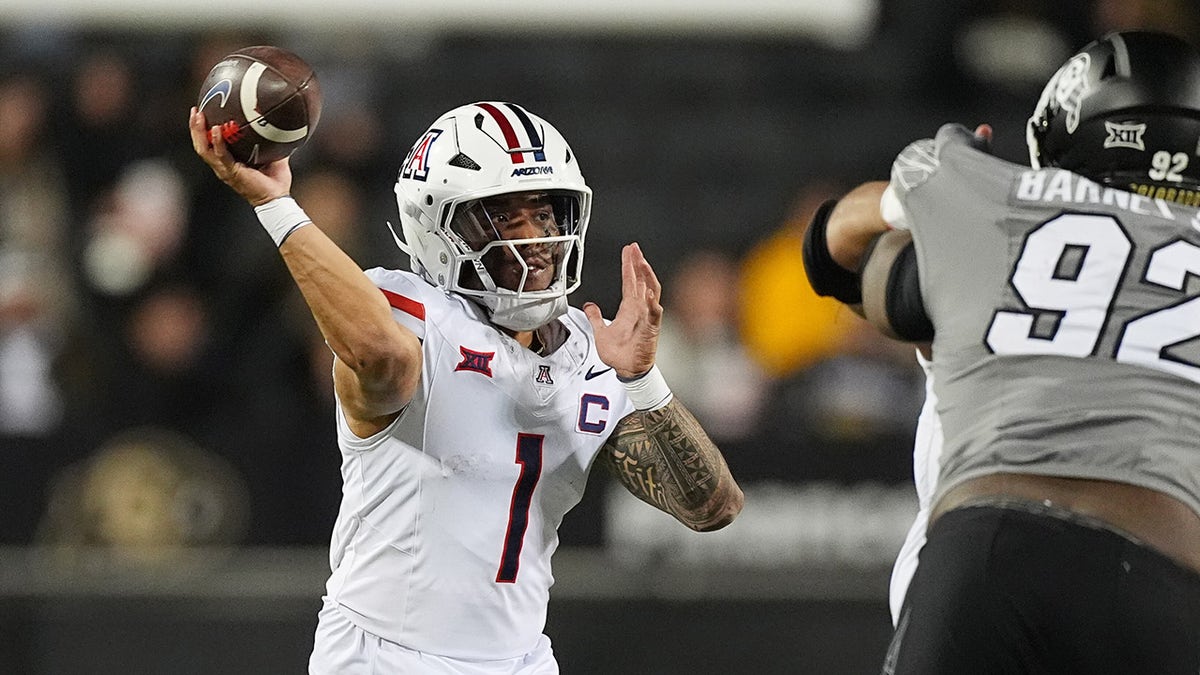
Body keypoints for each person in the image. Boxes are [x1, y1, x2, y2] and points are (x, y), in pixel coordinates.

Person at [189, 99, 743, 674]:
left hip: (523, 660)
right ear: (438, 229)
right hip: (388, 659)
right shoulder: (413, 322)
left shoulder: (593, 351)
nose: (535, 240)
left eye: (546, 214)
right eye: (506, 218)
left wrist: (644, 381)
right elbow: (378, 353)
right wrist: (276, 205)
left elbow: (710, 507)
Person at [803, 30, 1200, 673]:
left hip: (985, 558)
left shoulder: (993, 205)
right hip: (1158, 572)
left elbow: (832, 254)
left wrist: (917, 206)